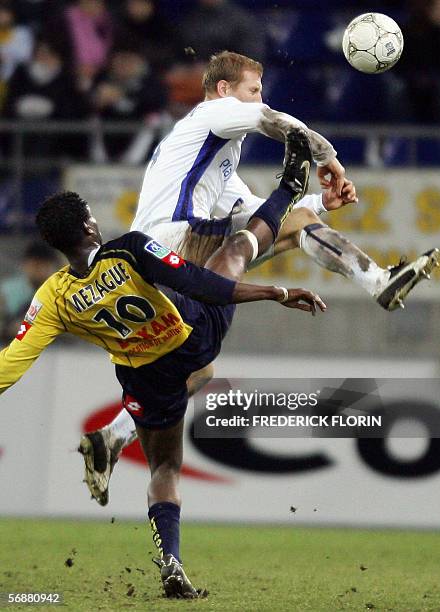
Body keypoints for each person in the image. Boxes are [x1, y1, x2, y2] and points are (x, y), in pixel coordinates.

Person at [80, 49, 439, 507]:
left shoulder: (215, 163)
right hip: (170, 251)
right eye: (253, 89)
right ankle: (375, 279)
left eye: (261, 90)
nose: (259, 98)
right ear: (226, 90)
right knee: (285, 230)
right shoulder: (212, 113)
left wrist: (323, 202)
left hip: (172, 259)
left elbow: (262, 214)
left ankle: (111, 437)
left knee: (202, 369)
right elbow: (274, 121)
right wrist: (327, 156)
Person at [0, 132, 326, 597]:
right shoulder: (130, 249)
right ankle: (289, 187)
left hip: (144, 376)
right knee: (235, 250)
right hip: (191, 337)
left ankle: (171, 560)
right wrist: (273, 292)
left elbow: (10, 365)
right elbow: (198, 283)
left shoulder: (52, 297)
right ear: (90, 227)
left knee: (165, 468)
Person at [0, 241, 59, 343]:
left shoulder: (60, 292)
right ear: (25, 264)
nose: (40, 269)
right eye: (35, 265)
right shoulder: (7, 290)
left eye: (44, 265)